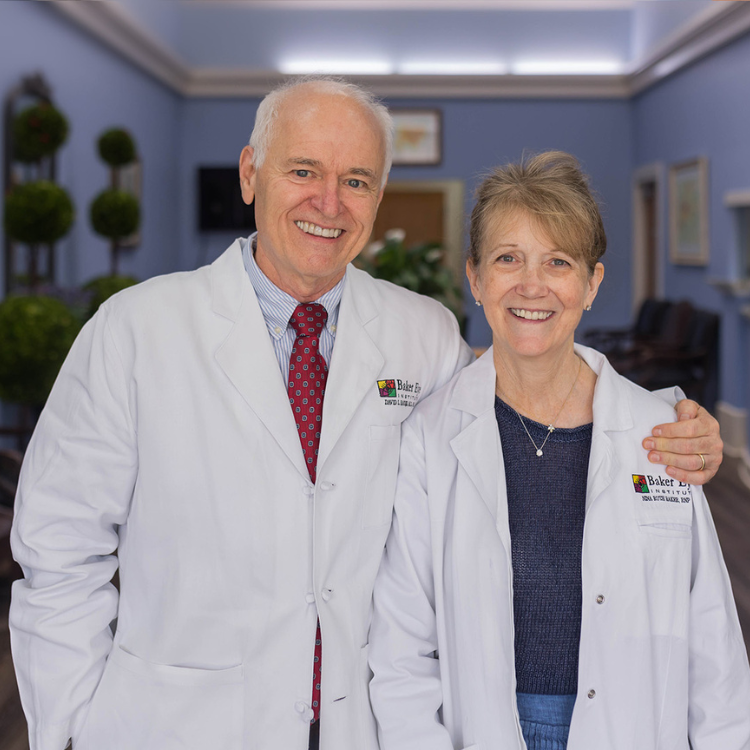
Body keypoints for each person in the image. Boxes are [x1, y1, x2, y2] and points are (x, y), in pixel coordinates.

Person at [9, 80, 721, 750]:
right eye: (303, 172)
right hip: (178, 721)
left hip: (363, 718)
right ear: (250, 173)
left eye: (357, 181)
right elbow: (59, 550)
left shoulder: (422, 331)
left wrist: (666, 417)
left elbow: (522, 390)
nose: (330, 202)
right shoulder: (136, 329)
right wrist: (71, 726)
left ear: (378, 198)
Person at [368, 152, 750, 750]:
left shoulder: (660, 433)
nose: (531, 284)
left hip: (634, 726)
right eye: (507, 258)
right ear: (475, 277)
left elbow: (713, 646)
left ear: (592, 283)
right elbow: (402, 646)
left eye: (558, 262)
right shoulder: (429, 435)